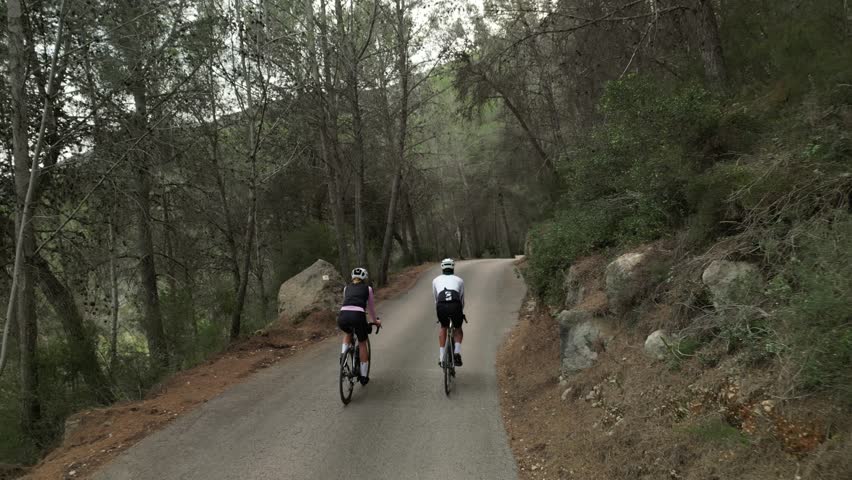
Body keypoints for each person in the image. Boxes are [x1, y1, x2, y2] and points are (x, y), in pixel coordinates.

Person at [338, 267, 380, 385]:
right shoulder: (368, 289)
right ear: (364, 278)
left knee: (348, 333)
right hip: (358, 316)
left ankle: (343, 358)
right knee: (362, 342)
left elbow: (347, 303)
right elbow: (371, 308)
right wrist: (375, 321)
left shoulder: (346, 288)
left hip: (343, 316)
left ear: (352, 277)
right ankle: (363, 376)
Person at [432, 258, 465, 367]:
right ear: (453, 267)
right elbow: (461, 300)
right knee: (458, 329)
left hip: (441, 306)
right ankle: (456, 353)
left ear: (442, 267)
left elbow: (436, 299)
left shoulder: (435, 280)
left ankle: (441, 357)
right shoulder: (459, 280)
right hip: (455, 306)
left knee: (443, 327)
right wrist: (460, 313)